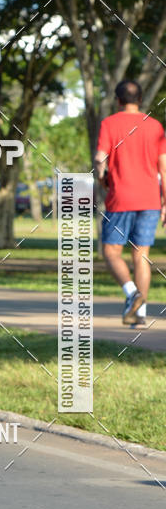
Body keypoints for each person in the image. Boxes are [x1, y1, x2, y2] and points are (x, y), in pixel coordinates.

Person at [94, 79, 166, 326]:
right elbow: (163, 167)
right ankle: (141, 314)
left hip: (121, 198)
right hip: (150, 199)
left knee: (111, 251)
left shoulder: (109, 123)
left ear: (118, 100)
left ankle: (131, 293)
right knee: (141, 255)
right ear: (141, 99)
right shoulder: (155, 126)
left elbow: (99, 158)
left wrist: (102, 177)